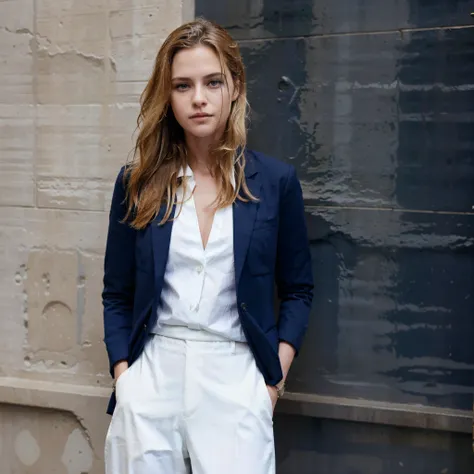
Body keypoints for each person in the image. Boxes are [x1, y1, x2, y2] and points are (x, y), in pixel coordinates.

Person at [102, 17, 313, 474]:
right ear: (168, 96)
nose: (198, 98)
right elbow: (116, 293)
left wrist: (270, 385)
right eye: (182, 85)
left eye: (212, 81)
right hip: (152, 374)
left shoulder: (275, 182)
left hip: (235, 376)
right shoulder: (136, 184)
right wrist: (126, 377)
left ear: (234, 86)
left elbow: (298, 290)